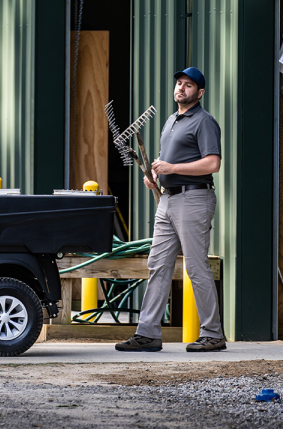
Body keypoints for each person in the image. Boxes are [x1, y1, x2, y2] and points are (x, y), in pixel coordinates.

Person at [116, 66, 226, 353]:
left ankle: (213, 334)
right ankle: (148, 334)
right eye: (179, 83)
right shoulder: (171, 120)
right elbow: (168, 161)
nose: (181, 88)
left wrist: (172, 168)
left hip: (194, 200)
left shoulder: (204, 122)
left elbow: (212, 163)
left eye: (188, 85)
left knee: (196, 266)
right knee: (157, 265)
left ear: (199, 93)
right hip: (167, 199)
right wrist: (156, 177)